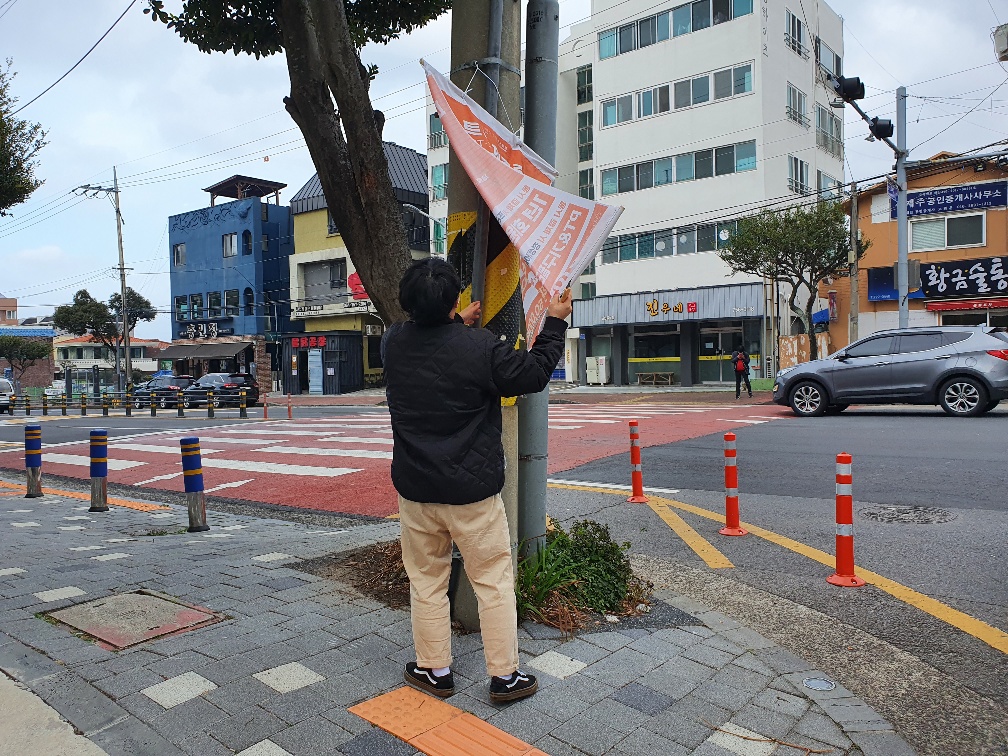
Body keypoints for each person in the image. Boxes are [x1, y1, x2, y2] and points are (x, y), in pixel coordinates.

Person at [382, 257, 571, 703]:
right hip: (473, 494)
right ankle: (504, 677)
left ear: (407, 303)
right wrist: (556, 323)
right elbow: (532, 374)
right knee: (492, 581)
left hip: (416, 491)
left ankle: (434, 670)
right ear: (454, 303)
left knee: (426, 581)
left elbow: (428, 341)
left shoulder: (392, 344)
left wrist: (452, 324)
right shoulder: (480, 347)